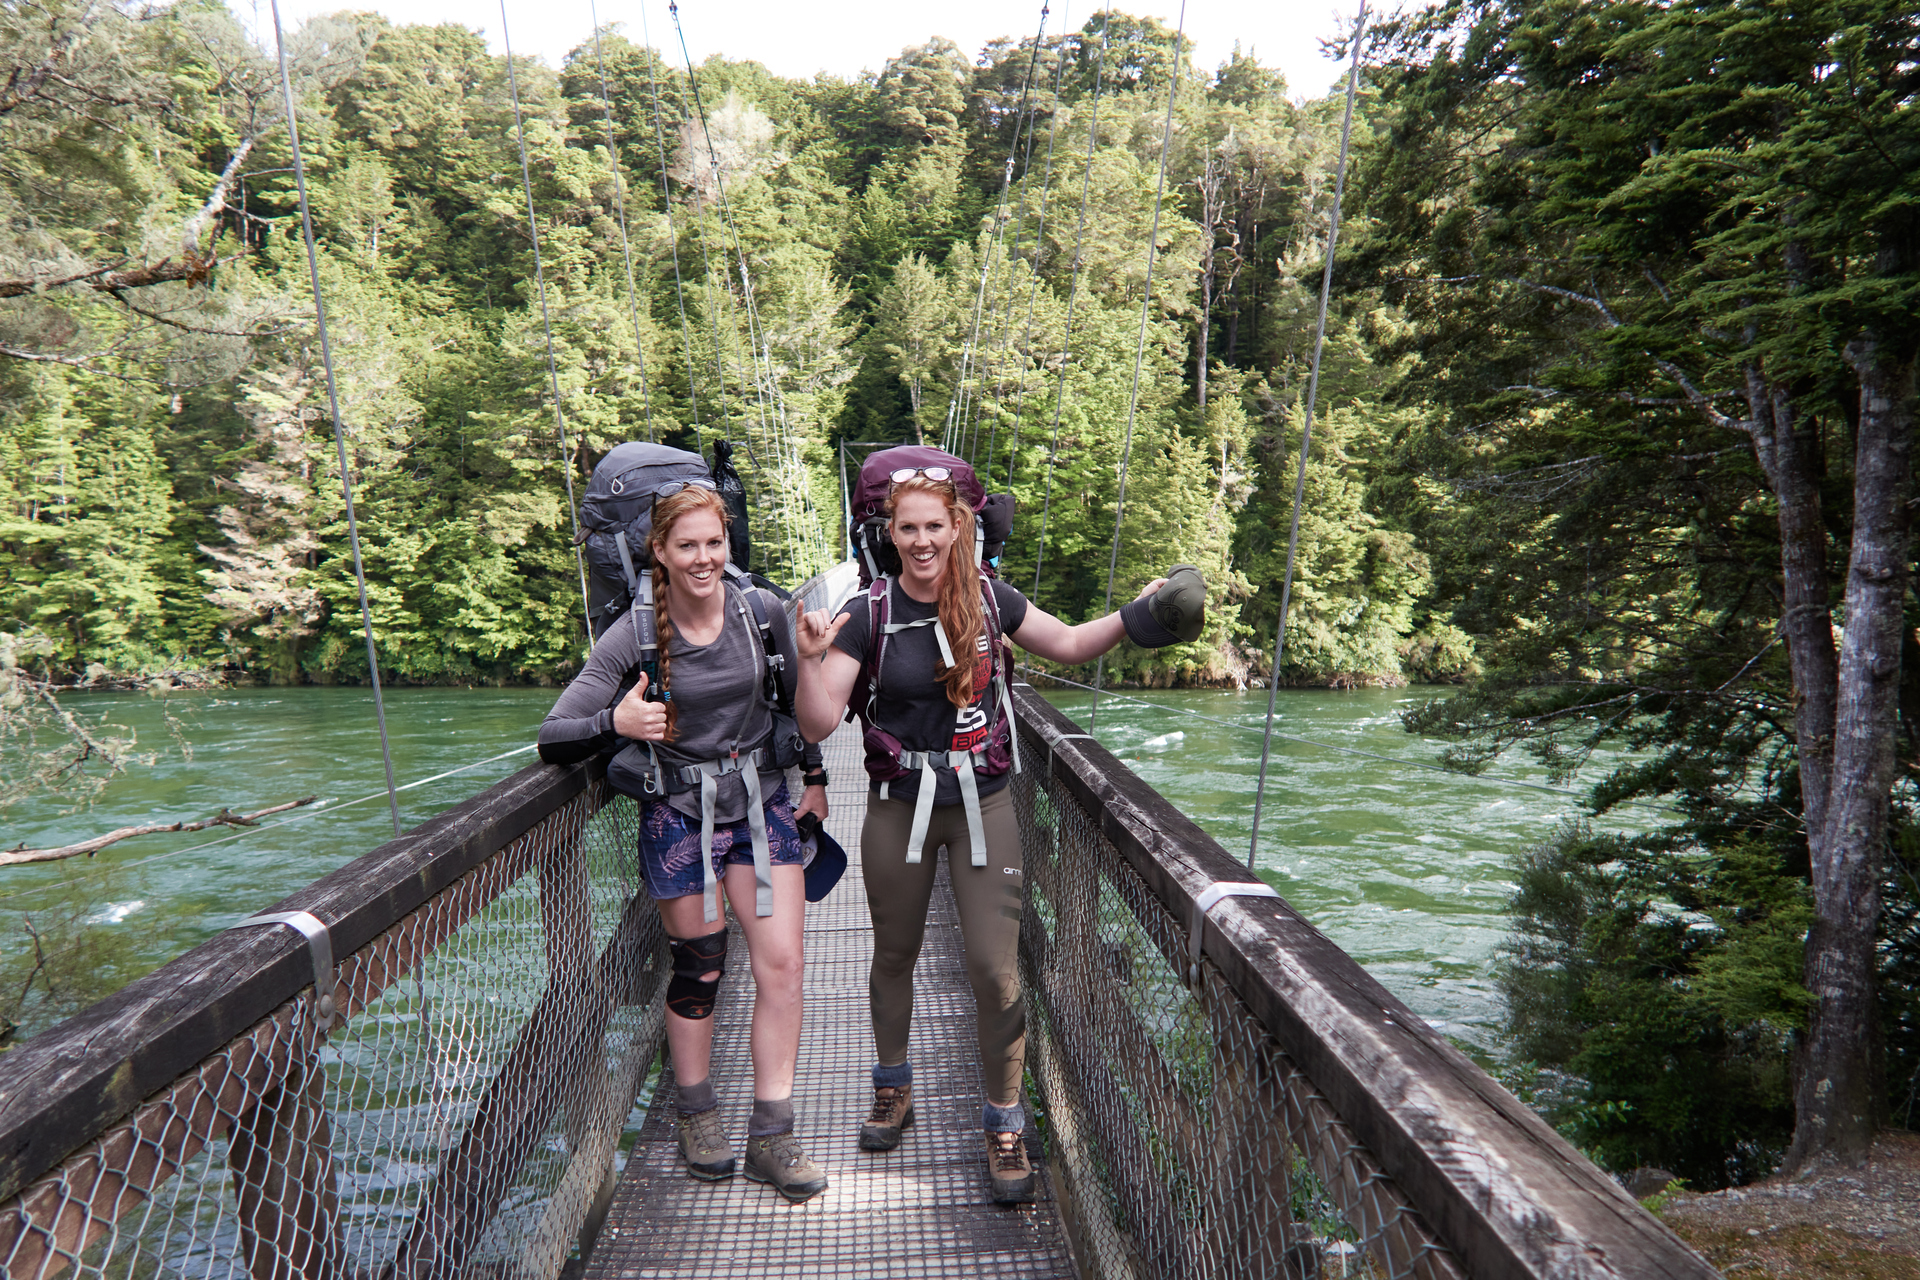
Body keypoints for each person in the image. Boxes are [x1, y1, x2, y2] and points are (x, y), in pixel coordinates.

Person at [793, 470, 1204, 1204]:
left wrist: (1141, 613)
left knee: (994, 969)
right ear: (891, 533)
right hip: (897, 806)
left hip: (982, 805)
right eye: (908, 528)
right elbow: (819, 723)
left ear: (958, 532)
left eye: (935, 527)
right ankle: (893, 1087)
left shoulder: (988, 600)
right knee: (893, 956)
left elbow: (1073, 644)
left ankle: (1004, 1121)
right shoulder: (867, 613)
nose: (922, 541)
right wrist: (809, 657)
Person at [539, 485, 831, 1202]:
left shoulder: (761, 613)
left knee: (784, 966)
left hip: (761, 805)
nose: (703, 558)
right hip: (679, 814)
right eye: (687, 546)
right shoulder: (633, 634)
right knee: (700, 969)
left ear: (727, 545)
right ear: (659, 553)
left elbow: (798, 704)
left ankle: (774, 1131)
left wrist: (816, 776)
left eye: (714, 543)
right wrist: (619, 721)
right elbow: (554, 736)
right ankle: (697, 1113)